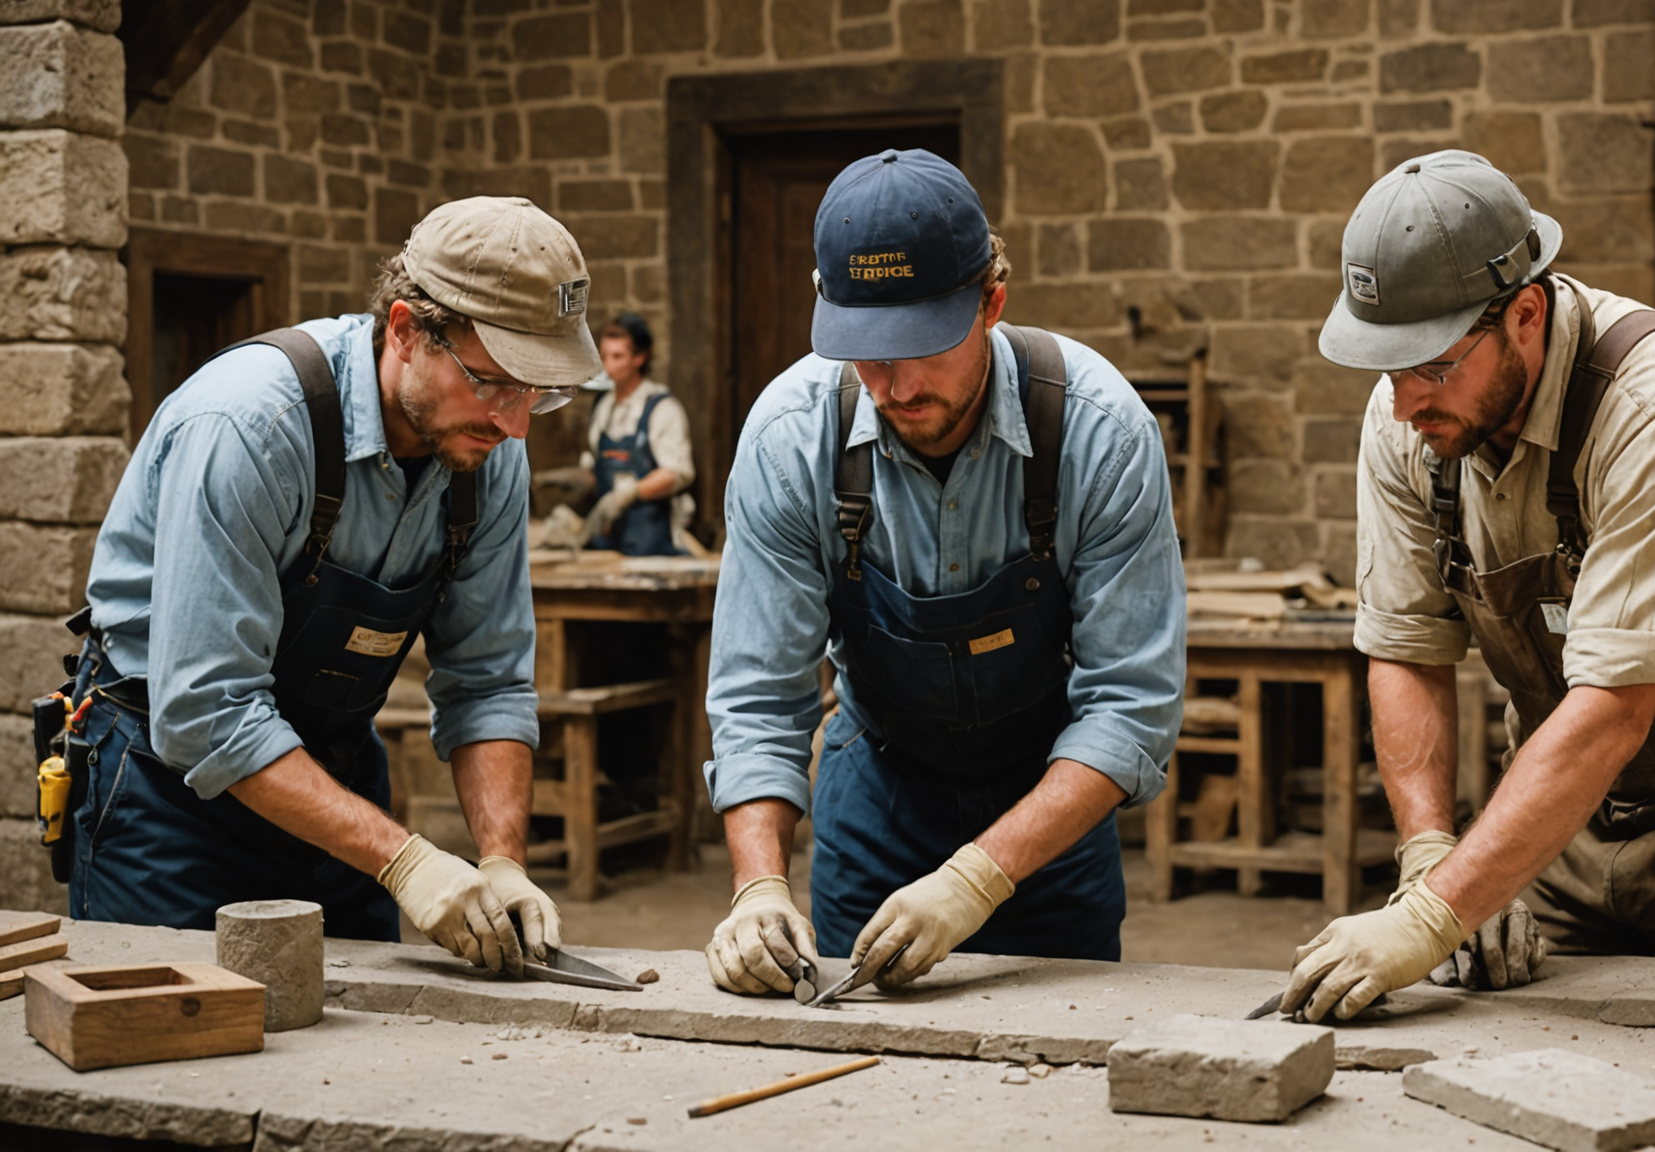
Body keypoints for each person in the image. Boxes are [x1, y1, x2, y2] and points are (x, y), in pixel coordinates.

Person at [1282, 151, 1655, 1024]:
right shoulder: (1409, 421)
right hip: (1571, 814)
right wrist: (1432, 860)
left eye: (1432, 366)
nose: (1405, 401)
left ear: (1524, 311)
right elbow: (1407, 648)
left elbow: (1616, 705)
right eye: (1386, 367)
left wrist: (1429, 921)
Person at [66, 197, 597, 974]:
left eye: (538, 393)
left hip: (331, 772)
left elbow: (487, 682)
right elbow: (209, 711)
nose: (515, 424)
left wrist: (500, 862)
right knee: (177, 1044)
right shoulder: (251, 425)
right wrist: (405, 860)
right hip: (165, 791)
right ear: (407, 330)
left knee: (367, 1043)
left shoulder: (486, 452)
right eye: (493, 382)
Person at [701, 149, 1185, 996]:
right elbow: (756, 698)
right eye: (865, 350)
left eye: (921, 345)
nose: (895, 383)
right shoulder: (790, 437)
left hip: (1050, 802)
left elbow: (1129, 708)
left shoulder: (1100, 432)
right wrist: (758, 885)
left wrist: (978, 877)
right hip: (879, 790)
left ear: (991, 302)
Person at [579, 313, 698, 555]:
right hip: (610, 538)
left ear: (640, 358)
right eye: (603, 355)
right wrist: (581, 479)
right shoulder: (603, 406)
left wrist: (628, 494)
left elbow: (679, 472)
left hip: (652, 540)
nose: (607, 364)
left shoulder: (661, 408)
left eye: (617, 356)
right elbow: (599, 462)